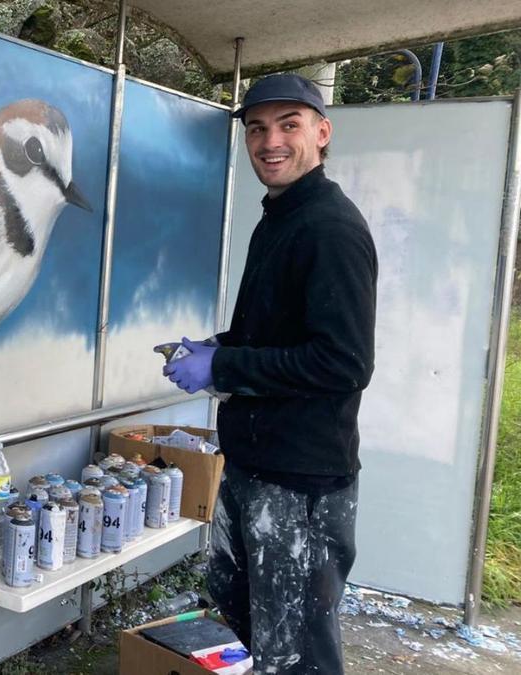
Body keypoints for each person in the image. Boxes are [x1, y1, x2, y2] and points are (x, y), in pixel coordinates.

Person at [162, 74, 378, 674]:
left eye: (289, 125)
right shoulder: (280, 217)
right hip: (256, 466)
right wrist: (219, 346)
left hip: (301, 483)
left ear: (322, 132)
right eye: (257, 129)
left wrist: (223, 365)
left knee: (297, 653)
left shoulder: (330, 228)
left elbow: (344, 362)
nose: (270, 141)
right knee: (248, 625)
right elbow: (281, 333)